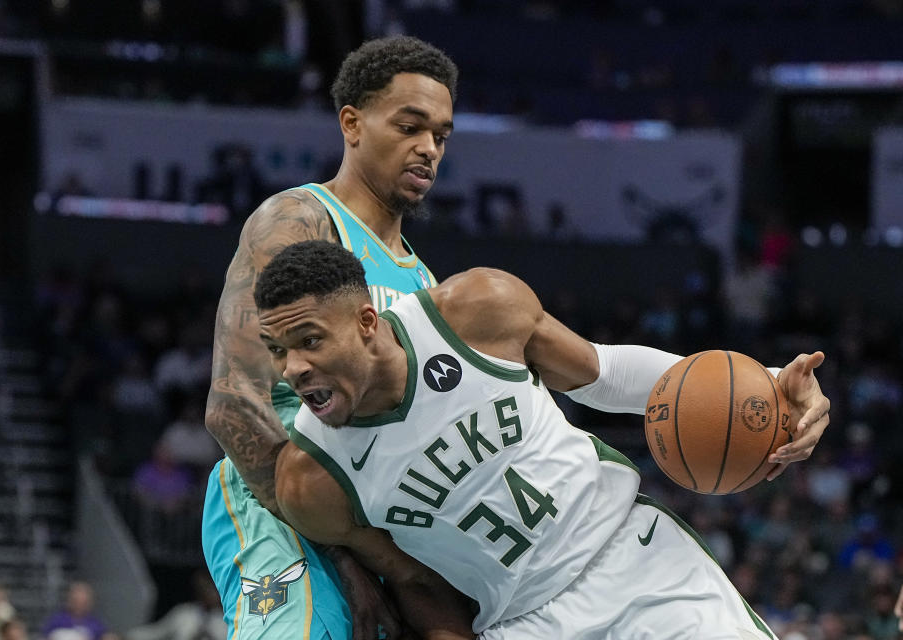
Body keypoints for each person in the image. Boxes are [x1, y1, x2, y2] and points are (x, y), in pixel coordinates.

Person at [261, 240, 832, 639]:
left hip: (632, 558)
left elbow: (604, 376)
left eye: (309, 341)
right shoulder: (311, 482)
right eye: (278, 351)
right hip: (519, 623)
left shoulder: (473, 312)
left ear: (366, 322)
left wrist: (773, 387)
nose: (293, 369)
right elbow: (416, 581)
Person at [201, 35, 457, 640]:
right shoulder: (298, 221)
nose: (427, 149)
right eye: (410, 126)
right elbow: (235, 404)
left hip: (375, 527)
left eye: (441, 136)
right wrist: (345, 553)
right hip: (278, 501)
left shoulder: (425, 282)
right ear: (352, 123)